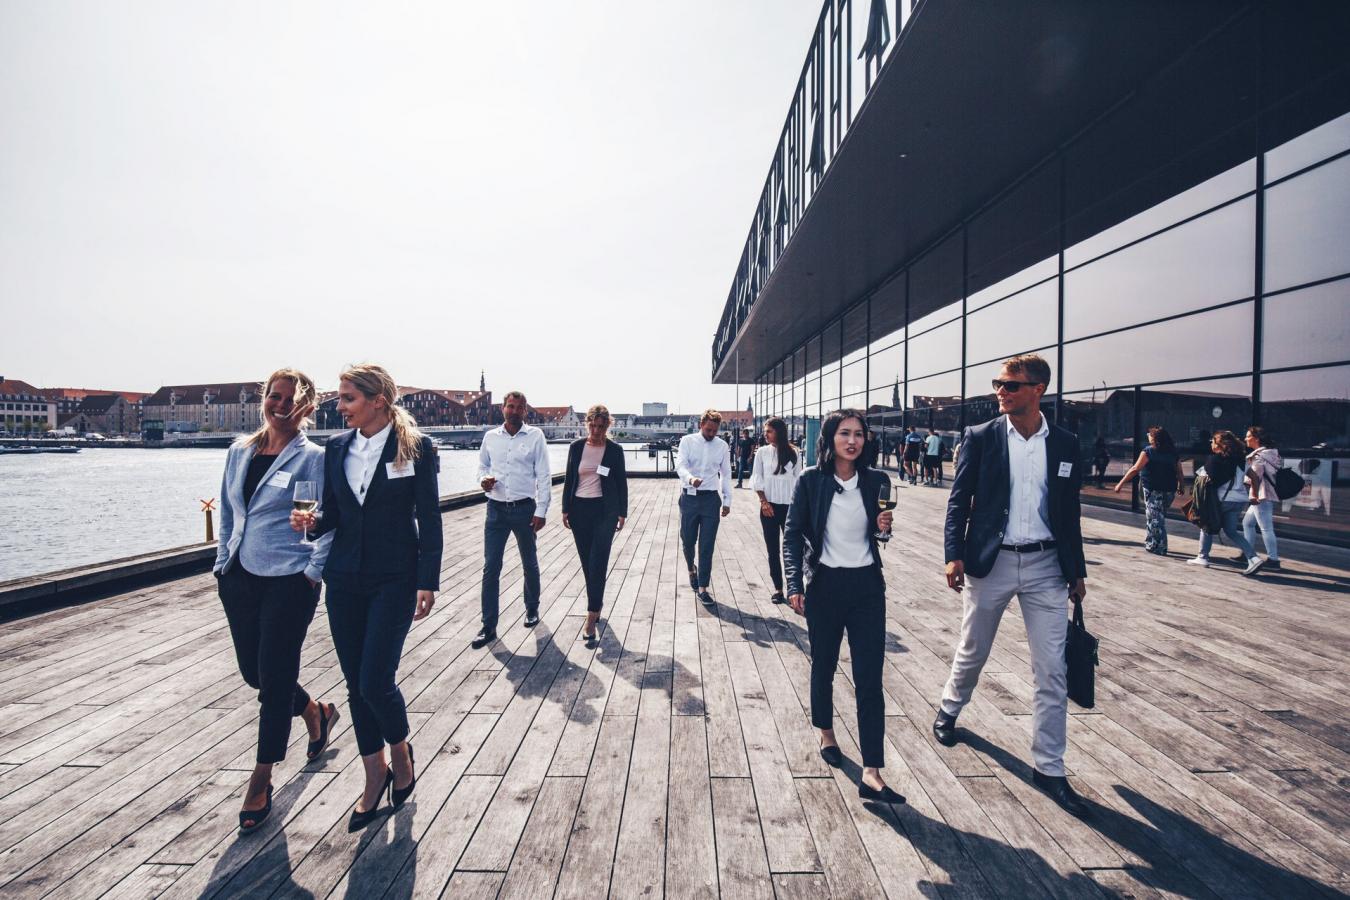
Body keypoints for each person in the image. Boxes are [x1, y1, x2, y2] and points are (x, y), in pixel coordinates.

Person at [933, 354, 1090, 818]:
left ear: (1038, 389)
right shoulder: (980, 438)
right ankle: (949, 707)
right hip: (992, 563)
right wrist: (952, 553)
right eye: (998, 383)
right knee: (973, 648)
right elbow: (959, 500)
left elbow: (1069, 512)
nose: (1001, 390)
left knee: (1052, 670)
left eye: (1011, 384)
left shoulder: (1065, 443)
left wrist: (1076, 569)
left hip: (1046, 567)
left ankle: (1049, 767)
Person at [292, 363, 442, 832]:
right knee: (356, 683)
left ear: (379, 400)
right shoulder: (336, 449)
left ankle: (401, 751)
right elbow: (333, 514)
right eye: (340, 398)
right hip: (345, 580)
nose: (339, 408)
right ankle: (374, 770)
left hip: (396, 578)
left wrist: (427, 580)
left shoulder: (415, 447)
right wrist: (312, 524)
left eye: (348, 399)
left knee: (377, 679)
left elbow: (431, 519)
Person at [215, 368, 336, 833]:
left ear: (306, 407)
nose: (280, 405)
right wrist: (222, 561)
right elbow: (228, 511)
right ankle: (315, 713)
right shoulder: (238, 452)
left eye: (291, 399)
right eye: (274, 396)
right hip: (240, 576)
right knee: (255, 674)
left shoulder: (315, 458)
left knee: (277, 674)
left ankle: (261, 778)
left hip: (289, 579)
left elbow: (327, 519)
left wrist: (312, 571)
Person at [784, 409, 904, 805]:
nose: (852, 441)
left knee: (870, 678)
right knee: (824, 664)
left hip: (868, 587)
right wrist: (793, 584)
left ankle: (872, 772)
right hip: (825, 586)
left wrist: (882, 530)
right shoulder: (811, 481)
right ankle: (826, 733)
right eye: (844, 433)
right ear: (831, 438)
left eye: (859, 434)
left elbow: (876, 532)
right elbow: (793, 534)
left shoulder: (876, 481)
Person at [475, 390, 552, 647]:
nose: (514, 411)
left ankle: (532, 608)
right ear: (503, 409)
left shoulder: (535, 436)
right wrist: (482, 481)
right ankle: (488, 626)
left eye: (520, 407)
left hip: (524, 509)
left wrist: (541, 510)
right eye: (511, 406)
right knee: (491, 567)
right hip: (495, 509)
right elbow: (482, 467)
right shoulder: (490, 437)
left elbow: (543, 475)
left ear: (525, 411)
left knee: (529, 562)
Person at [562, 404, 628, 643]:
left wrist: (622, 512)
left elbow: (621, 481)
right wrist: (565, 509)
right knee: (587, 563)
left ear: (607, 426)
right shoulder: (576, 447)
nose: (597, 430)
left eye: (601, 426)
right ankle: (597, 603)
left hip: (605, 511)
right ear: (587, 423)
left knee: (598, 562)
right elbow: (570, 478)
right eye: (593, 425)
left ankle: (591, 616)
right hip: (579, 510)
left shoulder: (614, 450)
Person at [1185, 430, 1266, 576]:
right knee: (1231, 531)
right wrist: (1253, 494)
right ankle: (1253, 557)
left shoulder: (1215, 461)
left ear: (1220, 445)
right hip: (1239, 501)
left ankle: (1202, 557)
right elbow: (1254, 477)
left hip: (1222, 500)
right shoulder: (1241, 460)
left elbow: (1204, 481)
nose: (1211, 443)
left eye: (1213, 442)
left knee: (1207, 524)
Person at [676, 410, 732, 606]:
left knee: (707, 545)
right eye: (708, 430)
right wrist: (691, 478)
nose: (711, 434)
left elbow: (726, 474)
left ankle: (703, 588)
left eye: (714, 431)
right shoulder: (687, 441)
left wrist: (727, 500)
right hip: (689, 497)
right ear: (701, 425)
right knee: (688, 540)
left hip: (710, 499)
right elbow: (680, 466)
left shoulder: (722, 446)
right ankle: (692, 569)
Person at [750, 416, 801, 604]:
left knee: (792, 550)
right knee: (773, 550)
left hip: (790, 508)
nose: (765, 434)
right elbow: (757, 478)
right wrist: (764, 502)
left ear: (779, 432)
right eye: (765, 431)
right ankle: (778, 589)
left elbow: (798, 483)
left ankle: (795, 589)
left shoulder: (795, 453)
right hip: (768, 507)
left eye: (769, 431)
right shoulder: (762, 452)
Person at [1113, 426, 1184, 555]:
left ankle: (1160, 546)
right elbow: (1179, 471)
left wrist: (1120, 483)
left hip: (1153, 489)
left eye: (1149, 434)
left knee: (1156, 518)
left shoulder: (1148, 451)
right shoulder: (1173, 452)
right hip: (1169, 489)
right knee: (1156, 516)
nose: (1147, 436)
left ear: (1155, 438)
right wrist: (1181, 485)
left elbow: (1135, 469)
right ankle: (1151, 543)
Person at [1242, 426, 1282, 571]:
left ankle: (1273, 560)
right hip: (1265, 494)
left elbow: (1255, 478)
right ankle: (1248, 552)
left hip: (1261, 495)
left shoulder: (1259, 457)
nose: (1245, 439)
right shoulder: (1272, 453)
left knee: (1266, 528)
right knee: (1247, 523)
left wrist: (1253, 495)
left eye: (1248, 436)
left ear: (1256, 439)